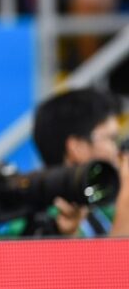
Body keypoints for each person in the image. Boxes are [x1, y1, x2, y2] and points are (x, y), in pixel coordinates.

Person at [32, 87, 129, 237]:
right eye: (111, 139)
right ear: (77, 147)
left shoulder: (99, 207)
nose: (119, 152)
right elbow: (115, 260)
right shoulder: (45, 219)